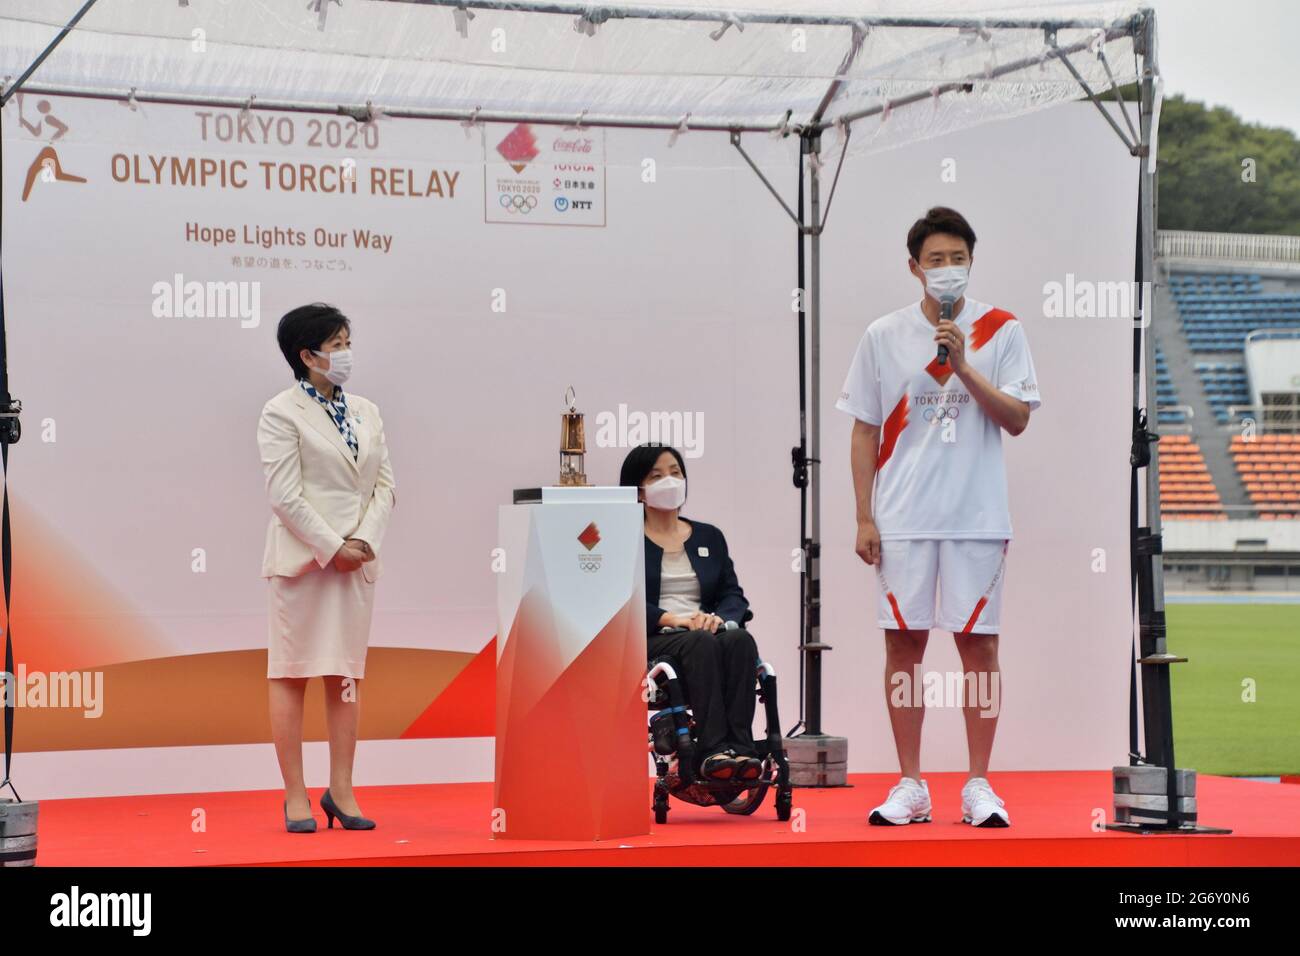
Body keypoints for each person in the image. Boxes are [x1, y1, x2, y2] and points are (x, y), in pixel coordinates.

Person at [836, 207, 1040, 828]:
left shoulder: (1002, 329)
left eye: (957, 258)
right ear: (914, 267)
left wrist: (965, 366)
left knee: (979, 648)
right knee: (904, 648)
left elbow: (1017, 418)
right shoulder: (882, 335)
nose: (947, 269)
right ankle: (911, 783)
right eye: (935, 260)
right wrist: (864, 517)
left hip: (976, 516)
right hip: (902, 518)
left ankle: (979, 783)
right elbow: (864, 430)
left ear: (971, 262)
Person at [257, 303, 396, 833]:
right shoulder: (281, 412)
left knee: (345, 678)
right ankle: (295, 794)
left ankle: (341, 790)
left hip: (355, 562)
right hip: (304, 562)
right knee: (291, 674)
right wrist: (332, 545)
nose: (345, 353)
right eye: (335, 345)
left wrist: (361, 541)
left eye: (346, 341)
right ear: (307, 354)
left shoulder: (367, 410)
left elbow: (385, 485)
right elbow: (284, 496)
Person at [620, 443, 762, 782]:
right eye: (657, 476)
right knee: (699, 642)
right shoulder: (624, 537)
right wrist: (671, 618)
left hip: (704, 632)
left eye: (676, 473)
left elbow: (733, 594)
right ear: (638, 491)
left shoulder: (709, 536)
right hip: (653, 638)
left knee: (740, 639)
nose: (669, 481)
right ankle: (712, 750)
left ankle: (742, 749)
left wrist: (720, 619)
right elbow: (620, 600)